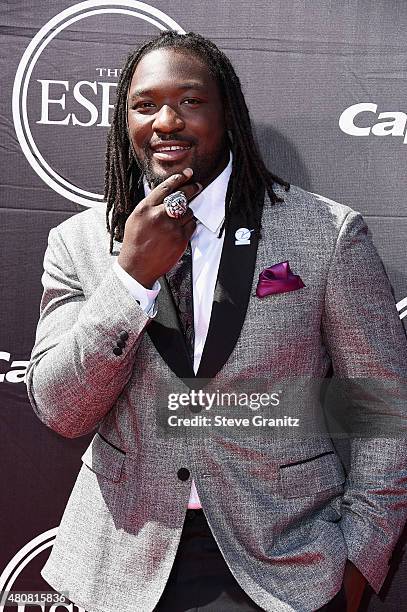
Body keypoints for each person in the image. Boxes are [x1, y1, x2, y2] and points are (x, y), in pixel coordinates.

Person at [26, 31, 407, 612]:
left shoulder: (324, 235)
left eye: (190, 101)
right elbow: (61, 408)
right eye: (146, 105)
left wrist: (360, 554)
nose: (167, 121)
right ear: (125, 121)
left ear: (227, 113)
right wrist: (130, 280)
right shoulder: (78, 243)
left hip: (286, 563)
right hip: (123, 562)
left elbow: (382, 406)